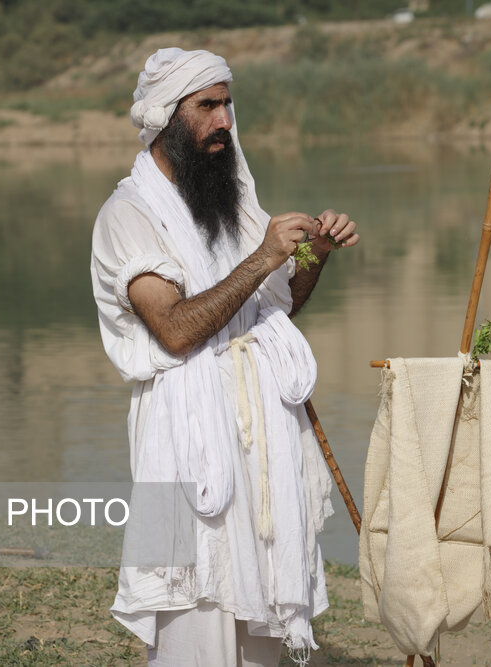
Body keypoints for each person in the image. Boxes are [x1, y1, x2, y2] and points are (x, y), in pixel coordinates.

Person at [90, 47, 360, 667]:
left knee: (263, 595)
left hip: (258, 432)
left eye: (227, 105)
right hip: (183, 438)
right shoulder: (127, 216)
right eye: (207, 107)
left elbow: (277, 306)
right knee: (194, 614)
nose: (224, 122)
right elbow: (177, 331)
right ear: (167, 116)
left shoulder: (230, 202)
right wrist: (265, 256)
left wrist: (314, 251)